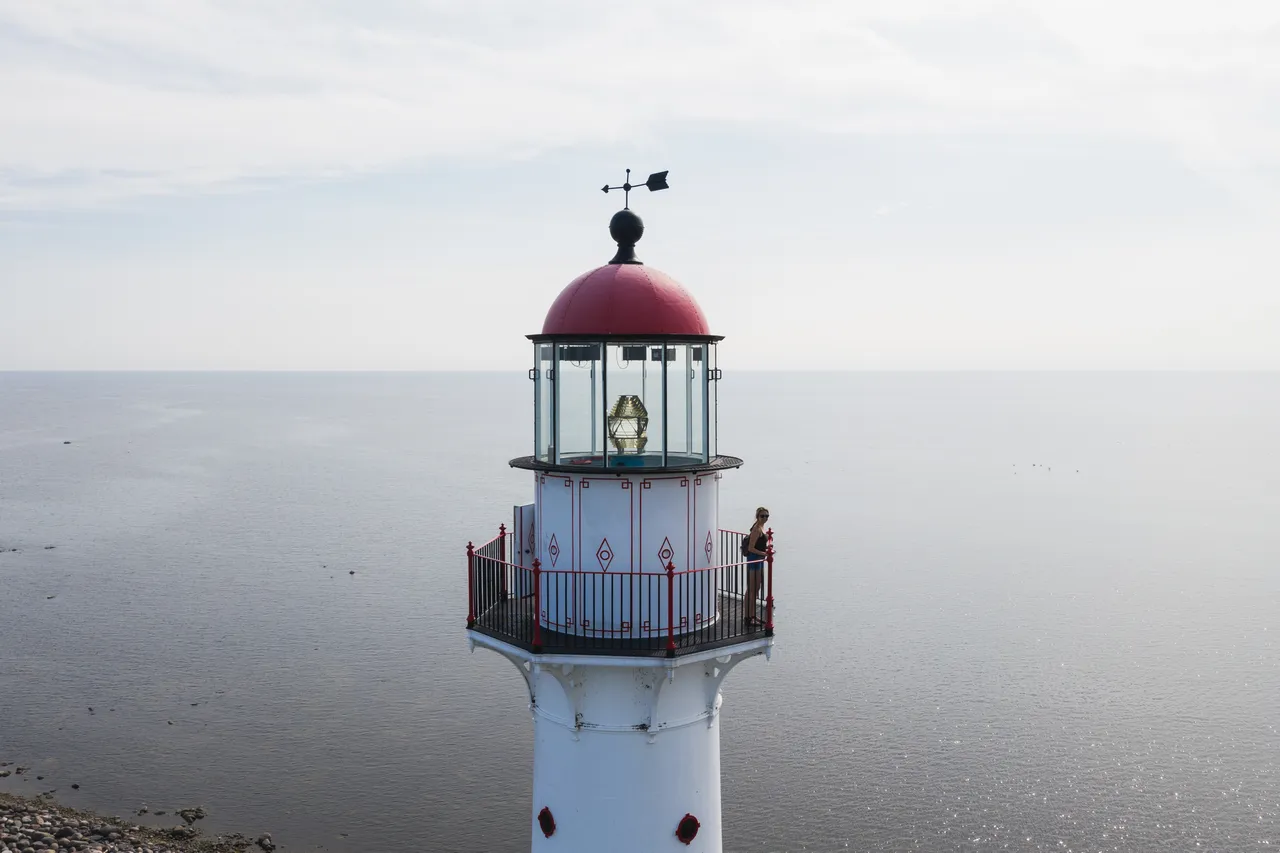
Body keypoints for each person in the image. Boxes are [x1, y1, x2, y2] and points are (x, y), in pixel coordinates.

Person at [744, 507, 770, 627]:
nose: (764, 518)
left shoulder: (760, 528)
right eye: (762, 516)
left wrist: (764, 550)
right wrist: (764, 553)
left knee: (755, 589)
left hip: (758, 560)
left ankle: (751, 615)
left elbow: (759, 544)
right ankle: (750, 617)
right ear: (757, 516)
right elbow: (750, 548)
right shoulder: (756, 529)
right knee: (753, 590)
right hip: (754, 561)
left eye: (766, 516)